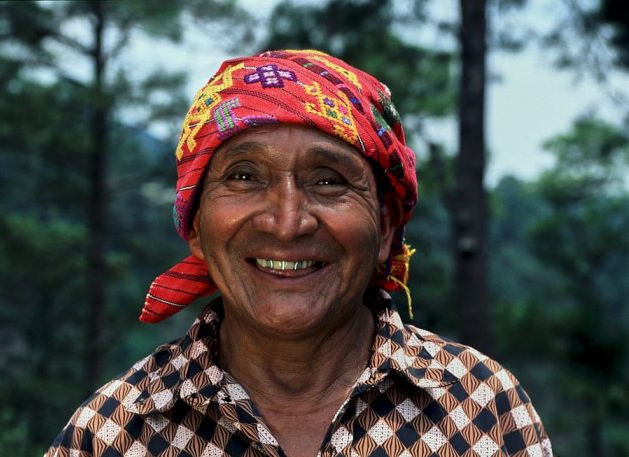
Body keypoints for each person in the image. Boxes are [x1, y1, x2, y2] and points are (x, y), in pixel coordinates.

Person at [45, 49, 553, 457]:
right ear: (196, 225)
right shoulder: (116, 431)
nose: (287, 223)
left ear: (384, 229)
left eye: (328, 181)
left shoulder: (481, 408)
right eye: (244, 177)